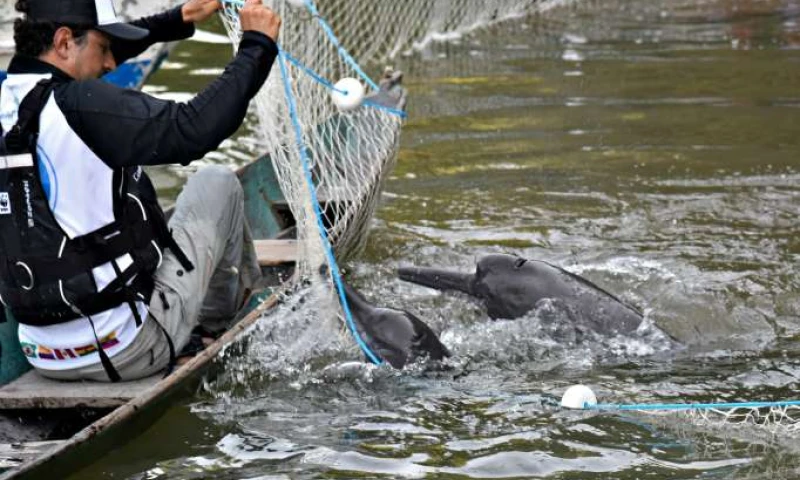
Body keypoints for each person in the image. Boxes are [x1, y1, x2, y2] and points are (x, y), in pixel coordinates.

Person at [0, 0, 281, 382]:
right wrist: (256, 46)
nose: (111, 66)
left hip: (42, 354)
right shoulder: (81, 106)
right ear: (63, 41)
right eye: (104, 49)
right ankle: (214, 325)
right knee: (216, 182)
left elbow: (88, 53)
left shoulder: (11, 101)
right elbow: (193, 129)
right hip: (129, 350)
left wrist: (175, 20)